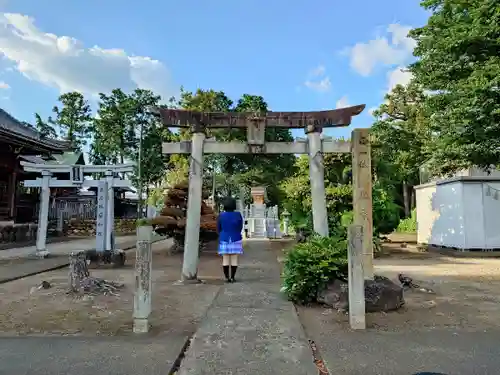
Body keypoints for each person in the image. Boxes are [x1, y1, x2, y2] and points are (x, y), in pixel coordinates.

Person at [217, 197, 244, 282]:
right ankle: (232, 277)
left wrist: (221, 234)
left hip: (224, 238)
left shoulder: (221, 215)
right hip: (235, 238)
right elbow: (240, 227)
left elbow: (218, 228)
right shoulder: (238, 214)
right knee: (234, 258)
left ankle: (226, 278)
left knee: (225, 259)